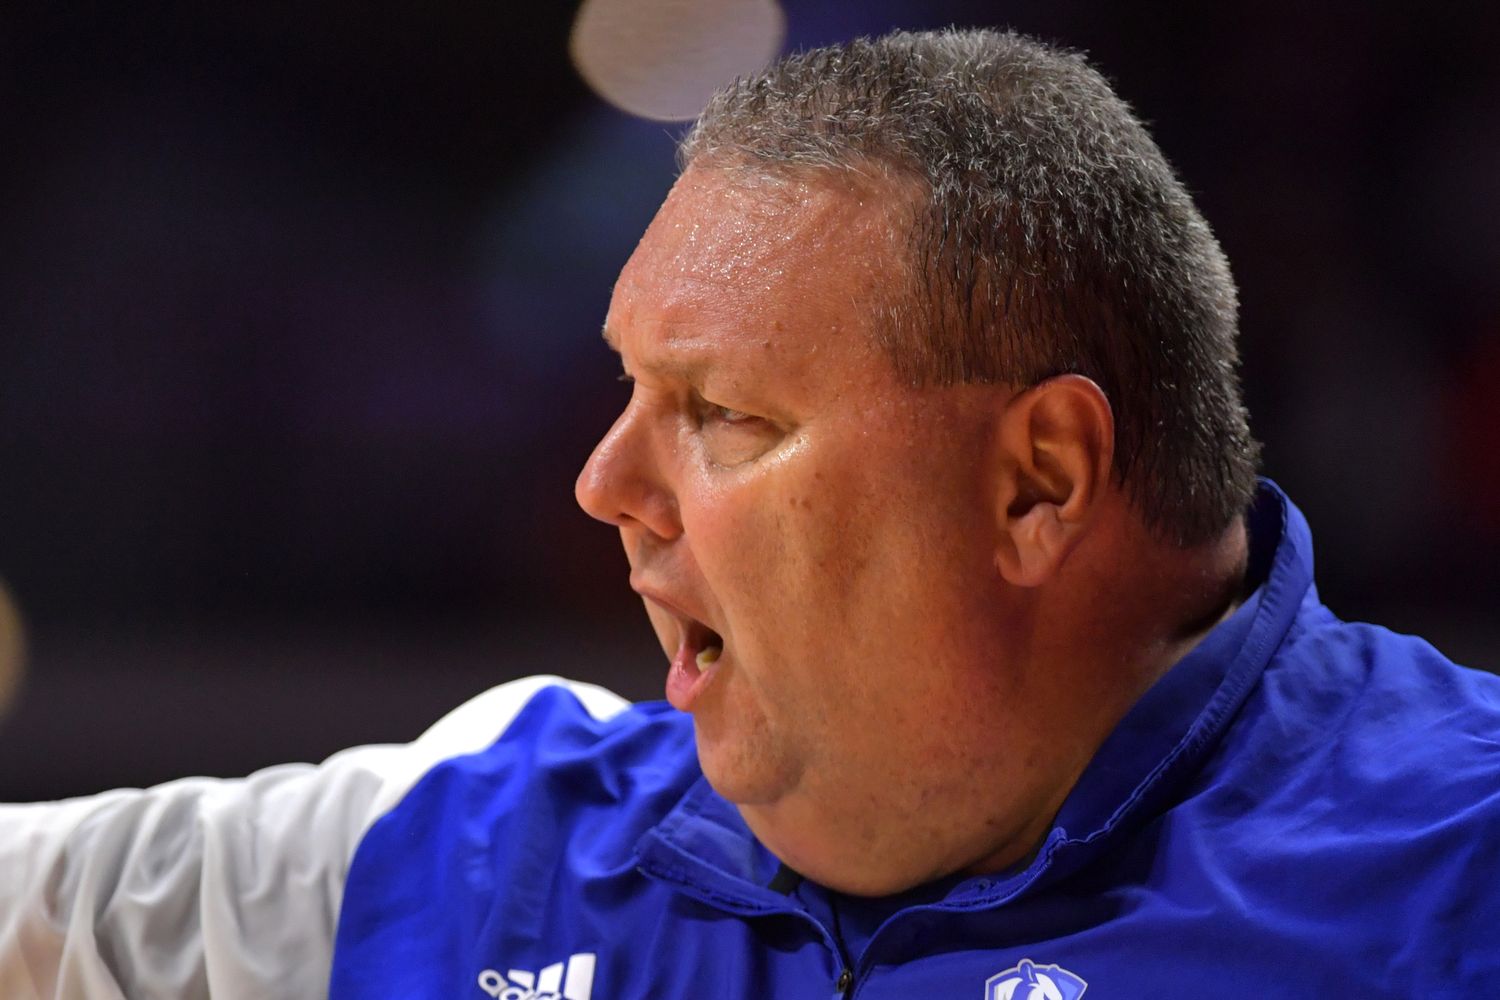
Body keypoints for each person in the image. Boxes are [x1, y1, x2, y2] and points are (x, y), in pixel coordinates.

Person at [4, 27, 1498, 1000]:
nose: (605, 486)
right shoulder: (501, 842)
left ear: (1037, 482)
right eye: (629, 391)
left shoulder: (1455, 863)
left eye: (723, 415)